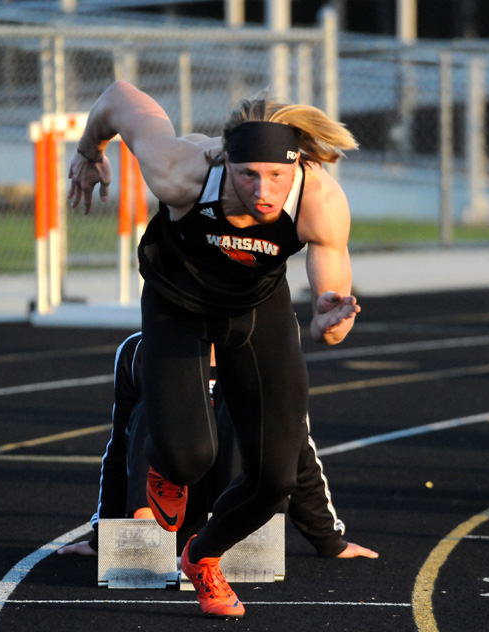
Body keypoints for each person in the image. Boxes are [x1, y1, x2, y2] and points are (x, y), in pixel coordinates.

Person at [68, 80, 360, 617]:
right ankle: (166, 467)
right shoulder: (181, 170)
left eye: (277, 175)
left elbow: (330, 291)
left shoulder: (318, 197)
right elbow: (119, 98)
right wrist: (90, 150)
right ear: (226, 162)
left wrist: (329, 315)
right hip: (177, 305)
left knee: (274, 480)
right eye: (249, 175)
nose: (265, 191)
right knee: (189, 457)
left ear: (297, 168)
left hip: (254, 310)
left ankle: (202, 559)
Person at [57, 332, 378, 559]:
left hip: (238, 515)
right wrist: (105, 539)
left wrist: (328, 539)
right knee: (151, 404)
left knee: (257, 407)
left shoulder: (270, 352)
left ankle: (231, 536)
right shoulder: (139, 351)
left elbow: (296, 448)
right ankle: (145, 531)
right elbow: (120, 449)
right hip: (172, 511)